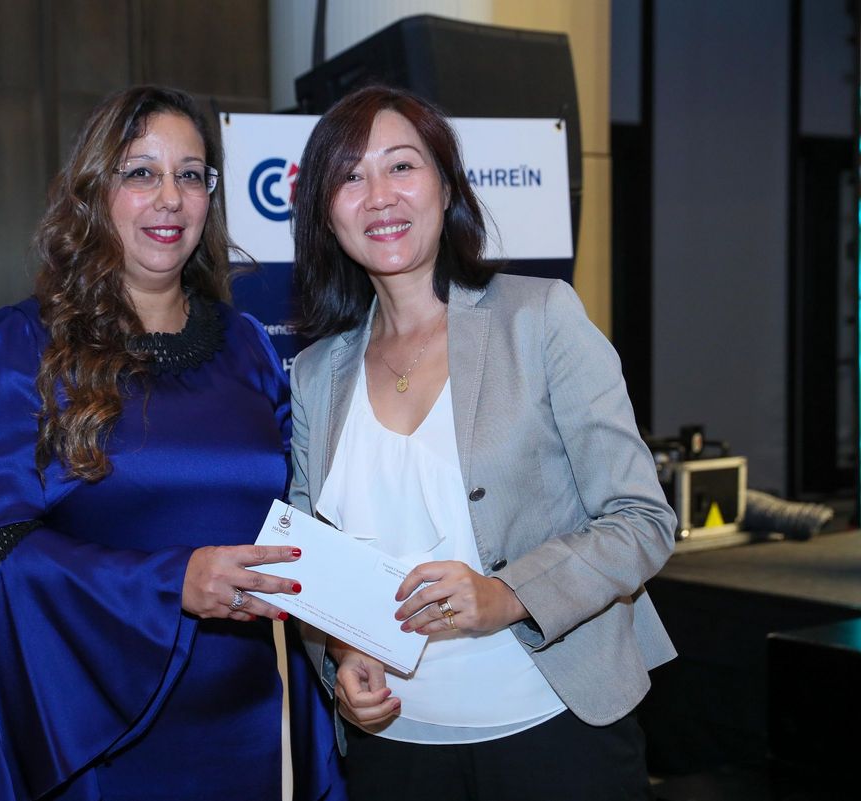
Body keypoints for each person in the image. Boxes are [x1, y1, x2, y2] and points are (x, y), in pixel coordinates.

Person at [0, 85, 342, 801]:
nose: (170, 198)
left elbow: (301, 527)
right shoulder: (23, 344)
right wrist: (173, 582)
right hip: (95, 738)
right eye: (141, 173)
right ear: (95, 192)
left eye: (190, 175)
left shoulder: (247, 346)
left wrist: (359, 640)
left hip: (245, 730)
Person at [287, 84, 677, 800]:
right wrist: (342, 650)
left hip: (557, 733)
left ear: (445, 186)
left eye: (402, 166)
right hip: (394, 752)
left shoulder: (540, 318)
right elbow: (318, 563)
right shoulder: (313, 375)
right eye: (350, 176)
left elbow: (641, 519)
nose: (379, 195)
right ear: (324, 212)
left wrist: (507, 595)